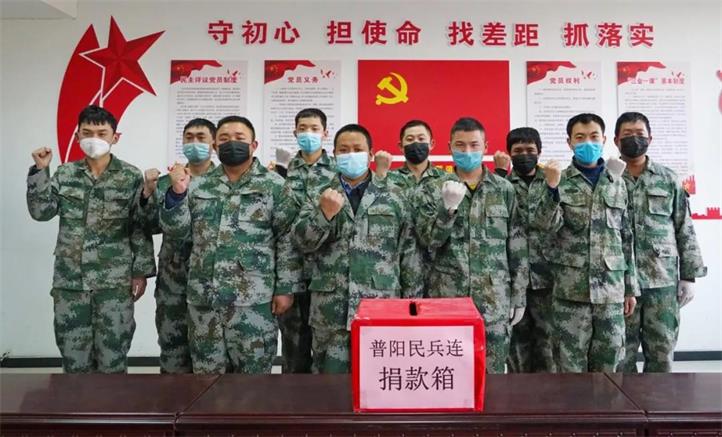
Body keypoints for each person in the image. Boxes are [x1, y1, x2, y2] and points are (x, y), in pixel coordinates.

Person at [160, 115, 297, 374]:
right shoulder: (198, 185)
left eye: (239, 138)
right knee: (206, 379)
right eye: (224, 139)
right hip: (205, 300)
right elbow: (178, 232)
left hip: (253, 301)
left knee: (253, 379)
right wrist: (176, 195)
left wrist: (285, 288)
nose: (231, 143)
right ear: (215, 146)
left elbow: (287, 239)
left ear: (254, 145)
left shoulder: (274, 186)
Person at [26, 105, 156, 373]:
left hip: (114, 283)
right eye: (87, 132)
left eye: (101, 133)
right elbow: (41, 212)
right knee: (74, 359)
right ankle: (75, 401)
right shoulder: (65, 173)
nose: (94, 138)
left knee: (113, 357)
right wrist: (40, 171)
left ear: (115, 137)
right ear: (77, 137)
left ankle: (111, 403)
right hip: (71, 281)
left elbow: (139, 226)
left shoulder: (130, 175)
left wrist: (140, 272)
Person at [291, 123, 422, 373]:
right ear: (334, 154)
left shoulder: (395, 195)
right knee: (330, 385)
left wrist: (411, 308)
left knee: (382, 378)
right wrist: (323, 215)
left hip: (381, 307)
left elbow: (409, 254)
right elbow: (301, 242)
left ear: (370, 154)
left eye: (357, 149)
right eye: (344, 150)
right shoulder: (318, 193)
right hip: (331, 312)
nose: (351, 154)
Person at [414, 117, 528, 374]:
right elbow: (428, 242)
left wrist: (519, 295)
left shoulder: (504, 189)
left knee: (493, 375)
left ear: (485, 147)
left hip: (494, 299)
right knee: (447, 373)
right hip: (447, 297)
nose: (467, 151)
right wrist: (447, 210)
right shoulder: (431, 189)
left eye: (474, 145)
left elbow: (517, 245)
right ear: (449, 147)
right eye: (460, 145)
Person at [531, 113, 638, 373]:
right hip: (571, 292)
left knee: (610, 365)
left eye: (593, 137)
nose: (587, 143)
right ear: (569, 142)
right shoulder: (555, 180)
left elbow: (625, 237)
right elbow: (544, 225)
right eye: (580, 138)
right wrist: (552, 188)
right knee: (570, 367)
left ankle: (607, 404)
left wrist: (630, 287)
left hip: (610, 292)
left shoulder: (617, 182)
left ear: (604, 140)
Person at [613, 111, 706, 373]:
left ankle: (658, 401)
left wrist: (689, 276)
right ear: (616, 140)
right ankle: (624, 402)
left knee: (662, 353)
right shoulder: (608, 178)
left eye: (639, 134)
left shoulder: (668, 178)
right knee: (621, 355)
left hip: (662, 282)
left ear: (650, 139)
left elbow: (684, 227)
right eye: (627, 134)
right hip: (620, 282)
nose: (634, 139)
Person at [142, 118, 217, 373]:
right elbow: (149, 225)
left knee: (209, 354)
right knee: (172, 348)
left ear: (213, 143)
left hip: (212, 280)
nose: (194, 143)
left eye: (201, 137)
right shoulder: (165, 182)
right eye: (189, 137)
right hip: (173, 278)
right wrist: (148, 193)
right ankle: (172, 398)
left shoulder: (224, 181)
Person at [495, 127, 555, 373]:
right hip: (513, 280)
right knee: (516, 349)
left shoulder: (552, 181)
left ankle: (548, 396)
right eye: (518, 151)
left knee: (548, 347)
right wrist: (500, 172)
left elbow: (555, 221)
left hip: (548, 279)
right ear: (509, 153)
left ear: (539, 151)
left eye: (530, 150)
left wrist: (553, 186)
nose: (524, 155)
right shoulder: (502, 184)